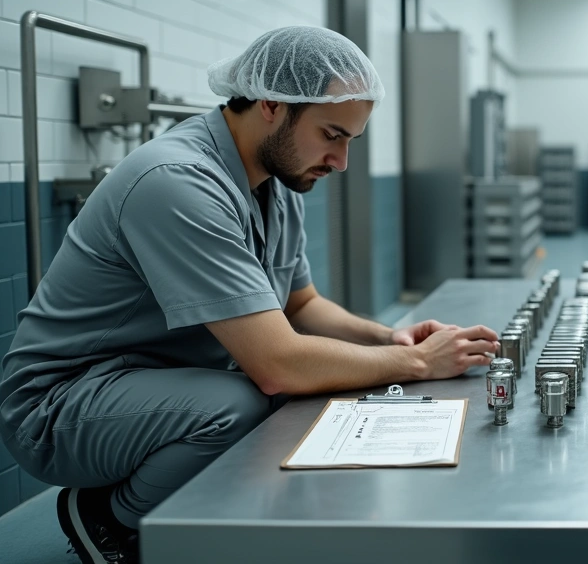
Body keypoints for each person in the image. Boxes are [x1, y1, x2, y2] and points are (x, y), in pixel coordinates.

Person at [0, 27, 498, 563]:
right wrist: (417, 363)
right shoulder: (177, 181)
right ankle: (109, 516)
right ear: (272, 104)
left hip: (155, 382)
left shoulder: (276, 183)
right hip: (61, 404)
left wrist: (388, 338)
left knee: (301, 387)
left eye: (350, 141)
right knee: (245, 402)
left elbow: (301, 305)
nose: (341, 161)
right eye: (332, 134)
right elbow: (278, 365)